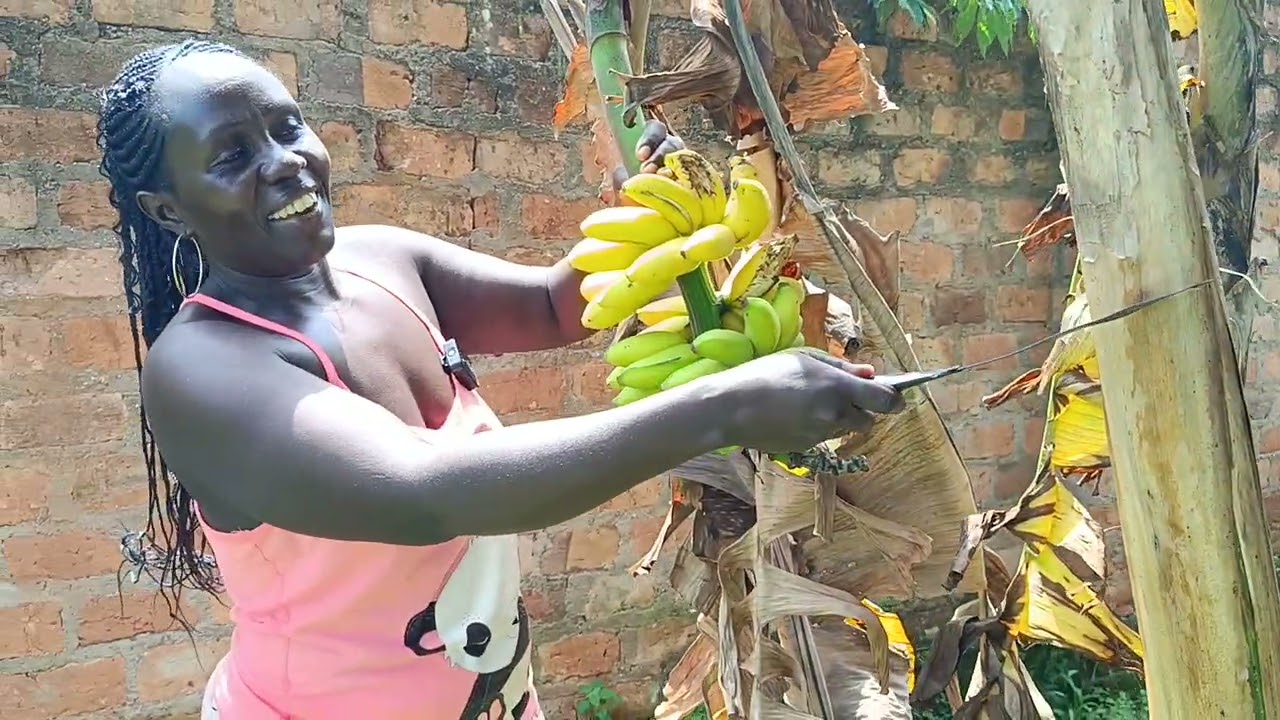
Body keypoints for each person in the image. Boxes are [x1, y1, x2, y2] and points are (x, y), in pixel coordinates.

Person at [97, 38, 904, 720]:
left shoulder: (381, 261)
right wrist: (721, 407)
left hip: (494, 692)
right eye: (234, 155)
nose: (285, 163)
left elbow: (559, 306)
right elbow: (426, 492)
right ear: (168, 209)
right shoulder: (203, 369)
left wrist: (662, 206)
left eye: (287, 126)